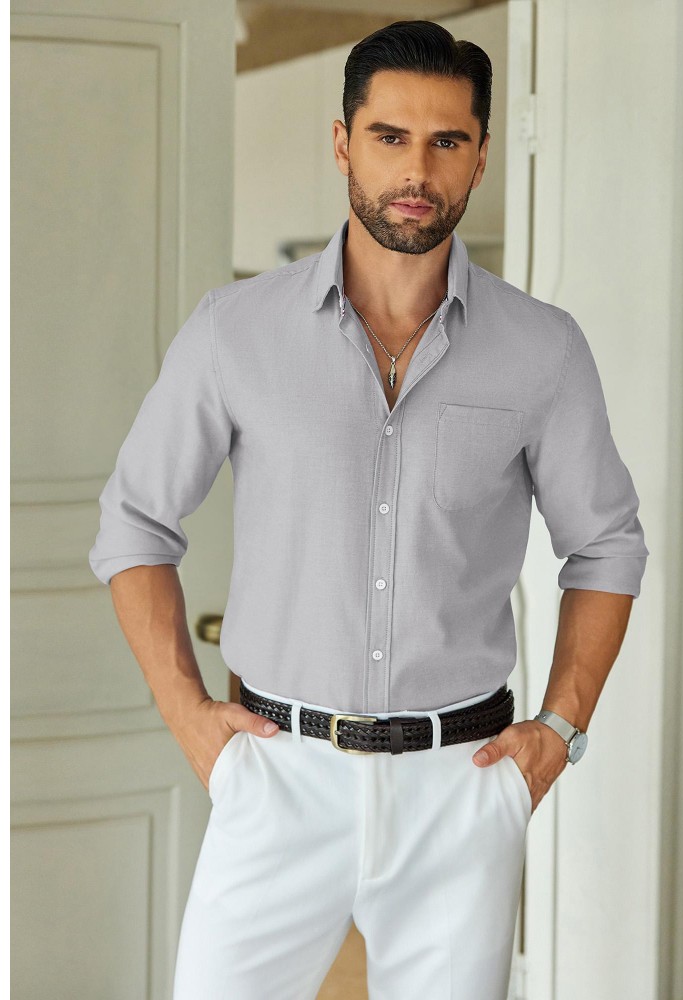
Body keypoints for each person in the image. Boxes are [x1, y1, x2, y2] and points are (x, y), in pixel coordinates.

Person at [88, 19, 648, 1000]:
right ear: (343, 143)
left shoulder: (543, 348)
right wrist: (189, 716)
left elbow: (605, 545)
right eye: (390, 136)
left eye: (446, 140)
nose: (417, 170)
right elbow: (135, 524)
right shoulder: (235, 332)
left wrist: (559, 731)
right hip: (276, 774)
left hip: (460, 784)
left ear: (480, 155)